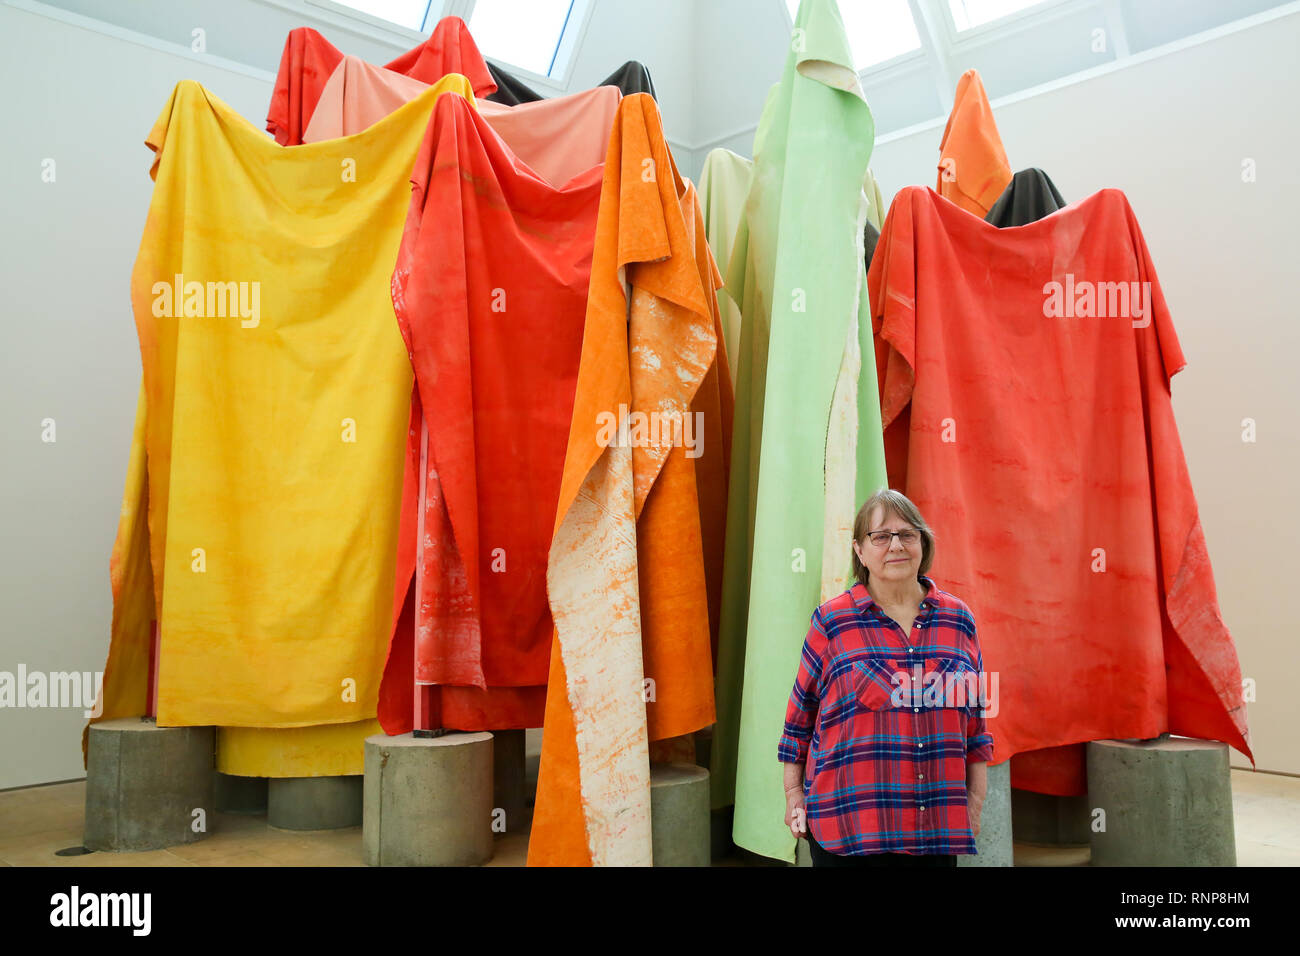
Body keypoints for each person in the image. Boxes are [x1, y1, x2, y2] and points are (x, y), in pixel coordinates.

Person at [777, 489, 993, 867]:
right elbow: (799, 721)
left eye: (907, 534)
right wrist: (794, 793)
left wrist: (974, 802)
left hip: (934, 830)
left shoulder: (959, 620)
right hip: (848, 826)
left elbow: (975, 726)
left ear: (923, 544)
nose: (896, 546)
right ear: (860, 551)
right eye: (880, 536)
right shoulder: (832, 621)